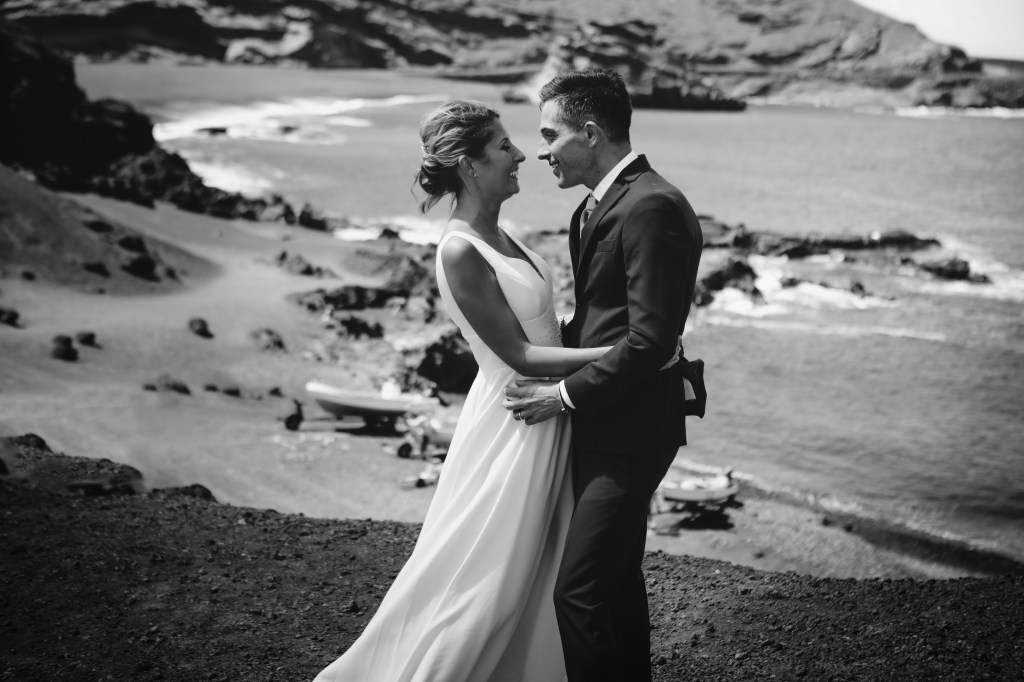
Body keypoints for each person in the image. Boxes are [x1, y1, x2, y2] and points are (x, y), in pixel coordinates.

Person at [313, 100, 628, 682]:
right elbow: (520, 354)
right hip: (514, 423)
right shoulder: (460, 250)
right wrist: (625, 353)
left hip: (549, 413)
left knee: (541, 575)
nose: (519, 157)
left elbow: (550, 330)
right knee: (492, 586)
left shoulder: (502, 236)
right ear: (468, 165)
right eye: (504, 147)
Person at [503, 69, 704, 682]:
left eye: (550, 134)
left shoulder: (653, 206)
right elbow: (600, 318)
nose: (540, 150)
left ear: (589, 133)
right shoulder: (594, 207)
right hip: (605, 420)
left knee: (579, 591)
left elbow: (649, 340)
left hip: (634, 429)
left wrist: (561, 396)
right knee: (615, 583)